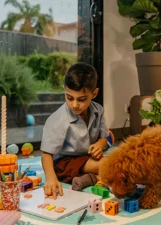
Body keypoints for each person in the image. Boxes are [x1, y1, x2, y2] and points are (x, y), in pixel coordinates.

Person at [40, 62, 109, 199]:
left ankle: (90, 178)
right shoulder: (58, 119)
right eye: (69, 98)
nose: (75, 105)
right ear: (65, 90)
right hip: (65, 163)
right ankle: (94, 176)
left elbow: (104, 136)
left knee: (118, 158)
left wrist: (100, 145)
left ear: (94, 93)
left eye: (82, 99)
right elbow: (46, 154)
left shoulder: (98, 110)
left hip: (87, 157)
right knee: (111, 164)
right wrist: (51, 178)